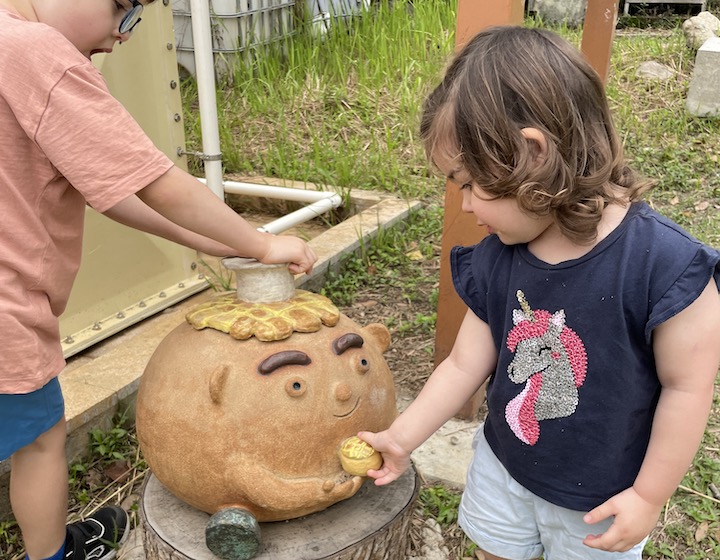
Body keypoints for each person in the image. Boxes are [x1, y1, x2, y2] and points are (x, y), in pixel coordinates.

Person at [360, 26, 720, 560]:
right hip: (503, 470)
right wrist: (403, 436)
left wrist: (648, 496)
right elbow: (463, 365)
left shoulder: (662, 266)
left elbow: (686, 390)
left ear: (530, 154)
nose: (464, 207)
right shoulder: (499, 256)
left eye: (466, 182)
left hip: (600, 503)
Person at [0, 1, 317, 559]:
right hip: (5, 309)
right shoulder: (38, 54)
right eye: (124, 12)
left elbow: (114, 189)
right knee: (40, 442)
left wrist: (213, 240)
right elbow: (156, 182)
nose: (122, 36)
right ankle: (49, 555)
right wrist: (263, 244)